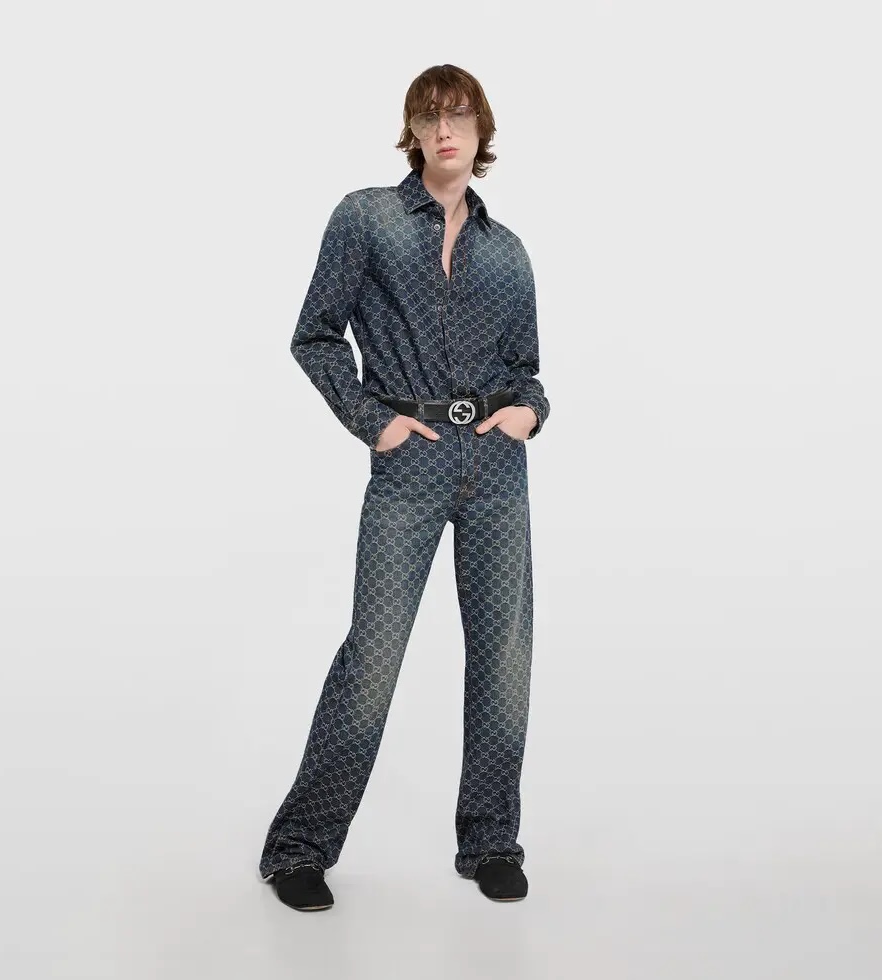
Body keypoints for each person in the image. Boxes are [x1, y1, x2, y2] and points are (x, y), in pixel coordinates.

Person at [259, 63, 551, 911]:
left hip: (496, 466)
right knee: (374, 656)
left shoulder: (508, 251)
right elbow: (315, 335)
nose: (444, 128)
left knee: (503, 657)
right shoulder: (367, 219)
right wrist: (373, 421)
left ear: (481, 129)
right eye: (429, 116)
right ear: (413, 132)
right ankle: (299, 849)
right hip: (410, 460)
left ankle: (490, 841)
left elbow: (528, 370)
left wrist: (530, 412)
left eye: (458, 114)